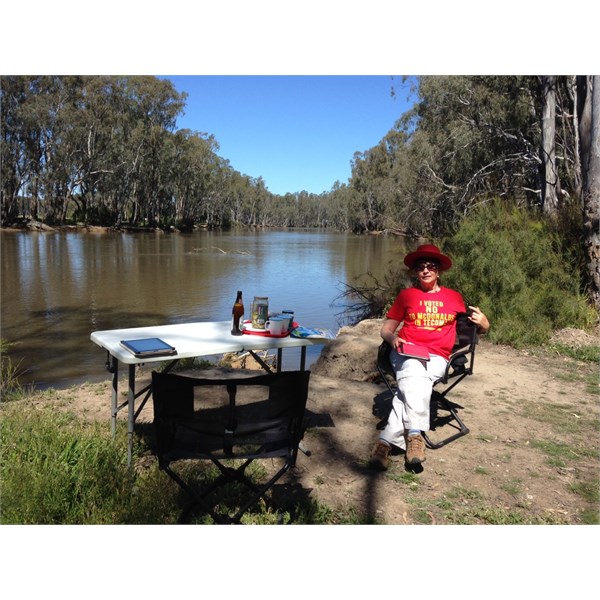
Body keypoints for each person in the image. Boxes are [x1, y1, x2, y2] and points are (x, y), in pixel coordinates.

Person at [370, 244, 490, 470]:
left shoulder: (454, 297)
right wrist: (392, 340)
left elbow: (470, 332)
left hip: (437, 357)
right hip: (405, 353)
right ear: (415, 272)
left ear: (438, 271)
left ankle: (385, 442)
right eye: (420, 267)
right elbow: (386, 329)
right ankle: (414, 436)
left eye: (430, 266)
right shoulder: (406, 296)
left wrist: (485, 325)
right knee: (414, 373)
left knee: (413, 383)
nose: (425, 271)